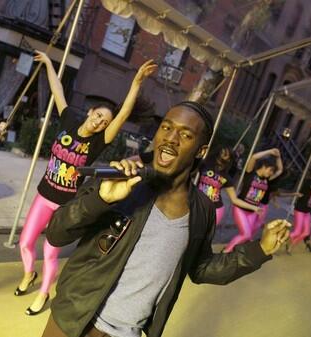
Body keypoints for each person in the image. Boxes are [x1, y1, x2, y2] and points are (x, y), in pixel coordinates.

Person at [41, 101, 291, 337]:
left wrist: (260, 250)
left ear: (201, 150)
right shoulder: (123, 179)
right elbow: (56, 233)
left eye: (185, 135)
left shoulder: (202, 210)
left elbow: (202, 268)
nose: (170, 139)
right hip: (71, 321)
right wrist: (100, 199)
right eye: (166, 128)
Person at [3, 50, 157, 316]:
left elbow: (122, 116)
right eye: (98, 116)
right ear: (90, 111)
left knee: (50, 254)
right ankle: (29, 274)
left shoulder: (99, 140)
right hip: (44, 195)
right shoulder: (70, 119)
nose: (99, 122)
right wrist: (50, 64)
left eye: (105, 122)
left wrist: (136, 83)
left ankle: (43, 293)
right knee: (25, 243)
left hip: (66, 206)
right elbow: (58, 90)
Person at [223, 148, 283, 252]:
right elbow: (254, 157)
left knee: (248, 235)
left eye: (272, 172)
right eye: (270, 170)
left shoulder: (267, 179)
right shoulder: (250, 173)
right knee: (245, 234)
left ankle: (232, 249)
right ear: (264, 167)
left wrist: (278, 157)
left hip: (253, 211)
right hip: (240, 208)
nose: (270, 173)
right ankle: (226, 251)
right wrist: (269, 151)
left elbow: (280, 170)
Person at [197, 146, 262, 225]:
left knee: (203, 236)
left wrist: (254, 208)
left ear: (229, 159)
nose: (223, 154)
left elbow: (234, 199)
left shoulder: (226, 177)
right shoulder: (204, 166)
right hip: (197, 205)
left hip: (215, 209)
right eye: (222, 152)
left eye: (226, 154)